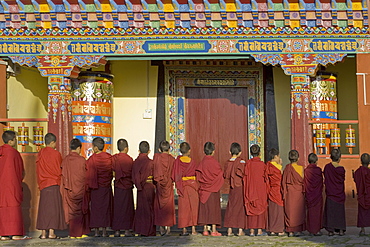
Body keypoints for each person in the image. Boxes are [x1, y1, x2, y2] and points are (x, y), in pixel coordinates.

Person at [0, 131, 31, 241]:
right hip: (12, 185)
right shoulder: (14, 153)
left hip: (1, 186)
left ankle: (3, 234)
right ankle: (15, 233)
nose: (16, 141)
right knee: (13, 207)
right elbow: (20, 171)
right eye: (15, 139)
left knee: (3, 207)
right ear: (11, 141)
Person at [36, 133, 67, 239]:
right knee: (53, 209)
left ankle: (43, 233)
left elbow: (38, 169)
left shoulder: (40, 153)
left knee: (44, 209)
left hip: (44, 184)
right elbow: (59, 169)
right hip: (53, 183)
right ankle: (51, 233)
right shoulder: (56, 154)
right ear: (53, 142)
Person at [60, 138, 89, 238]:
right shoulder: (82, 160)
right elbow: (85, 175)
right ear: (78, 148)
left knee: (72, 211)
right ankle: (80, 232)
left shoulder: (65, 160)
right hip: (80, 189)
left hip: (69, 189)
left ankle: (73, 233)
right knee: (80, 210)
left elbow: (63, 175)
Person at [86, 137, 113, 237]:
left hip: (96, 188)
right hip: (106, 187)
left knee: (96, 209)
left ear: (96, 148)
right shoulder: (109, 158)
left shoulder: (92, 159)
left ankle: (97, 231)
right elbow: (111, 172)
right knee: (105, 208)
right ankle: (105, 231)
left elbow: (88, 173)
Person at [196, 142, 224, 236]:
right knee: (213, 209)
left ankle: (205, 229)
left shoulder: (202, 163)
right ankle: (214, 229)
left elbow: (198, 176)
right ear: (213, 151)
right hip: (214, 189)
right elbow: (220, 175)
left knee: (205, 209)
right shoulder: (215, 163)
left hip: (204, 188)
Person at [172, 142, 199, 236]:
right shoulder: (192, 162)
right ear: (189, 151)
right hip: (192, 186)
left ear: (180, 151)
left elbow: (175, 175)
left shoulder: (177, 161)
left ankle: (184, 229)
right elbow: (197, 174)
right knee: (193, 207)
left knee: (183, 208)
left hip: (182, 186)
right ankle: (193, 229)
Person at [132, 141, 156, 236]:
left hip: (140, 188)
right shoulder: (151, 163)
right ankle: (149, 230)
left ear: (139, 151)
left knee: (141, 208)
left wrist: (138, 185)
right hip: (149, 186)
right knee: (149, 208)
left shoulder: (135, 163)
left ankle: (141, 230)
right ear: (149, 151)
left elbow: (134, 175)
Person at [112, 139, 135, 237]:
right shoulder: (129, 159)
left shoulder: (114, 158)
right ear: (126, 148)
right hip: (127, 186)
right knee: (127, 208)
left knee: (117, 208)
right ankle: (127, 231)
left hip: (118, 186)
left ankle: (117, 231)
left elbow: (112, 172)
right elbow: (132, 173)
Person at [244, 144, 268, 236]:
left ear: (251, 153)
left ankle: (251, 231)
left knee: (251, 207)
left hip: (250, 189)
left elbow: (245, 177)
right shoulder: (262, 165)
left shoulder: (248, 164)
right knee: (260, 207)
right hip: (260, 190)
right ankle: (259, 230)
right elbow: (265, 178)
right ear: (259, 153)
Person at [223, 142, 247, 236]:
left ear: (230, 152)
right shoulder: (241, 162)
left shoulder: (228, 163)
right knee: (240, 208)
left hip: (231, 187)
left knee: (231, 207)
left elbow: (225, 175)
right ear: (240, 152)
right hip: (240, 186)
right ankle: (240, 230)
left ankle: (229, 229)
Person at [153, 140, 176, 236]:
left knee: (159, 206)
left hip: (160, 186)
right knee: (169, 206)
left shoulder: (157, 158)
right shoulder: (172, 159)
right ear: (169, 149)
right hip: (169, 185)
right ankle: (169, 228)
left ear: (159, 149)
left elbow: (154, 171)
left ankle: (161, 228)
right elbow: (174, 173)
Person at [281, 150, 305, 237]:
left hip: (290, 192)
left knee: (290, 211)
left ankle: (290, 231)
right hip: (298, 191)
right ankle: (298, 231)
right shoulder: (301, 168)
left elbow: (283, 182)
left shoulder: (287, 168)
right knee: (298, 211)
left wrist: (284, 191)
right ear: (298, 158)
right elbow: (303, 180)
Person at [323, 148, 346, 236]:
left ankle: (330, 231)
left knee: (331, 211)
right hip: (339, 193)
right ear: (339, 158)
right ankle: (340, 230)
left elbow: (326, 178)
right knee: (339, 212)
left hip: (330, 193)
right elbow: (341, 180)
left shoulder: (327, 167)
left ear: (330, 157)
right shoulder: (341, 169)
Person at [266, 148, 285, 236]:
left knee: (273, 210)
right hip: (278, 190)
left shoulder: (268, 166)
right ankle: (279, 230)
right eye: (278, 157)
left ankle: (272, 229)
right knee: (279, 210)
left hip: (271, 190)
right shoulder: (278, 167)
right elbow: (282, 177)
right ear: (276, 156)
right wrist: (280, 165)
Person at [304, 153, 323, 236]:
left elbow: (304, 182)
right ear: (316, 161)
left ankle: (311, 230)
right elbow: (321, 182)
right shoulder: (318, 170)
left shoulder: (306, 171)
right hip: (317, 194)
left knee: (310, 212)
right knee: (317, 212)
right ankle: (317, 230)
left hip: (309, 194)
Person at [354, 153, 370, 236]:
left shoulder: (357, 172)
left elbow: (356, 181)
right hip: (369, 195)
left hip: (362, 195)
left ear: (361, 161)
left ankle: (363, 230)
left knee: (362, 212)